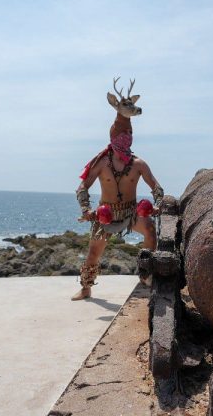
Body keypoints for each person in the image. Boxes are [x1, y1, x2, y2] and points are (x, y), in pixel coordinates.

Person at [71, 78, 163, 300]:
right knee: (94, 252)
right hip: (106, 214)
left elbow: (156, 187)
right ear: (113, 137)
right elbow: (82, 187)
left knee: (150, 231)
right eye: (121, 137)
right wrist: (86, 209)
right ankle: (86, 287)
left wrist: (158, 205)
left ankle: (146, 274)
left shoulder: (138, 164)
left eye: (127, 137)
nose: (125, 140)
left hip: (131, 213)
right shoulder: (102, 163)